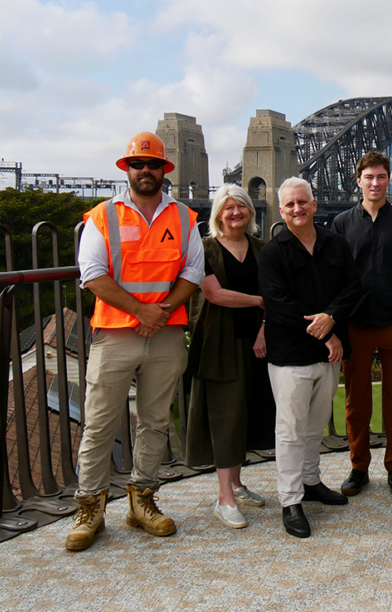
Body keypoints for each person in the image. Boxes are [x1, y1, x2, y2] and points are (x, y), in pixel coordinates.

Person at [66, 131, 202, 551]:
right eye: (138, 165)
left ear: (165, 170)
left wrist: (159, 312)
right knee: (100, 423)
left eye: (154, 165)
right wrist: (140, 311)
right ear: (127, 169)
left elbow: (193, 272)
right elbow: (92, 273)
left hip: (165, 335)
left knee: (155, 421)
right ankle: (89, 508)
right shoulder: (102, 217)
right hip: (115, 334)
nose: (146, 171)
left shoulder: (184, 217)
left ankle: (142, 500)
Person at [259, 177, 362, 538]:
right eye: (289, 205)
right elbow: (279, 304)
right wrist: (328, 330)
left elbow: (352, 287)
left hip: (328, 355)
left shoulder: (336, 244)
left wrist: (332, 318)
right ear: (282, 209)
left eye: (302, 202)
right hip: (291, 356)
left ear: (314, 205)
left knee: (316, 424)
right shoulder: (273, 252)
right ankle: (290, 501)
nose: (297, 209)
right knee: (290, 430)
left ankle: (310, 482)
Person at [331, 151, 392, 498]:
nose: (375, 183)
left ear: (389, 178)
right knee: (357, 403)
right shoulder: (341, 223)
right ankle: (359, 467)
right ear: (358, 180)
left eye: (381, 176)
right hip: (354, 323)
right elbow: (335, 277)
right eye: (369, 177)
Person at [184, 184, 273, 529]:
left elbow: (273, 293)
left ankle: (237, 482)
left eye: (242, 207)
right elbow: (214, 294)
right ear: (218, 213)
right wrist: (257, 301)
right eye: (228, 208)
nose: (235, 213)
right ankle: (224, 498)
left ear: (250, 212)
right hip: (219, 341)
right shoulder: (204, 248)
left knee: (245, 410)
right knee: (225, 413)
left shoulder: (260, 248)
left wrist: (265, 326)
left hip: (256, 339)